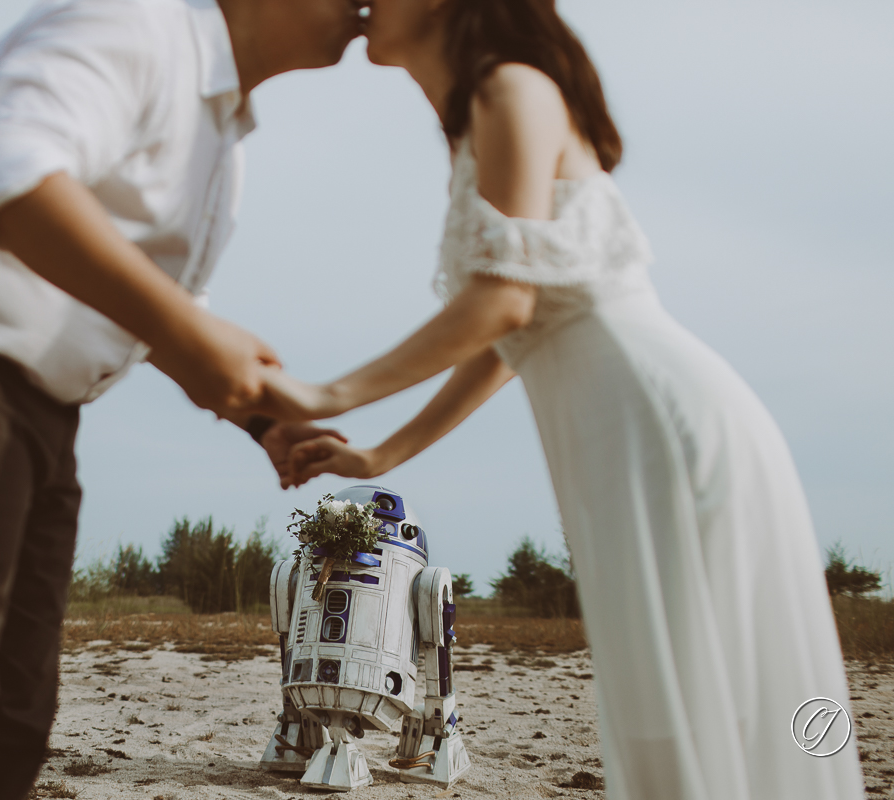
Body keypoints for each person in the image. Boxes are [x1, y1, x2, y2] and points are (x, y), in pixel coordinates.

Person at [258, 0, 866, 798]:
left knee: (691, 695)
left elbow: (504, 304)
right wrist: (379, 453)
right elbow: (514, 339)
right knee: (657, 696)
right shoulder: (476, 121)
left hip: (658, 425)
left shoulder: (509, 89)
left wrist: (325, 390)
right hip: (609, 439)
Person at [0, 0, 361, 796]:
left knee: (13, 719)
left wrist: (263, 418)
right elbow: (8, 177)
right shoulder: (133, 23)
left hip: (36, 408)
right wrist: (192, 333)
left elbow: (123, 293)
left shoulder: (222, 129)